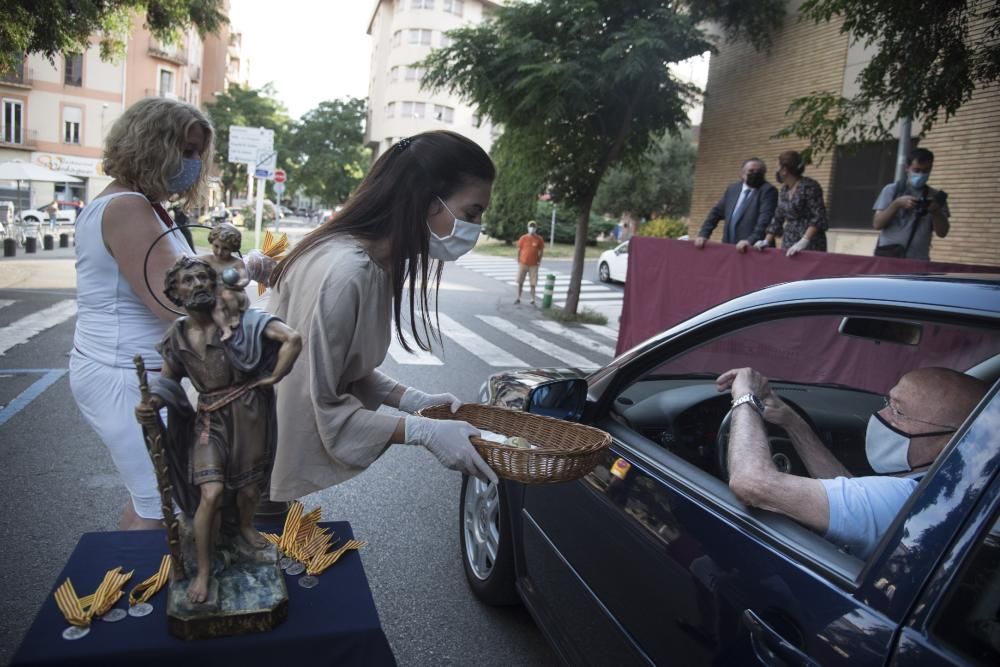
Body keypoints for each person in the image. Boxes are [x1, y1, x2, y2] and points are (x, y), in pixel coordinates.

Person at [267, 131, 498, 503]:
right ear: (428, 201)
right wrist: (421, 431)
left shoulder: (376, 264)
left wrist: (412, 399)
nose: (474, 228)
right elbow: (315, 399)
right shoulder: (345, 273)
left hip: (265, 451)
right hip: (250, 461)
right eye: (471, 213)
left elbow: (340, 367)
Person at [69, 97, 213, 530]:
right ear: (153, 147)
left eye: (196, 154)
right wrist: (240, 274)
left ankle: (123, 587)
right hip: (124, 379)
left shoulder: (141, 204)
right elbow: (173, 300)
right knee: (162, 507)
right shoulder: (128, 207)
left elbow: (172, 270)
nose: (192, 163)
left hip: (140, 375)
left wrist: (229, 266)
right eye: (184, 152)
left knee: (157, 499)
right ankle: (127, 593)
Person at [135, 256, 302, 602]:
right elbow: (167, 383)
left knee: (249, 489)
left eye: (201, 277)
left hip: (249, 413)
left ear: (213, 284)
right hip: (209, 420)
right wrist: (151, 404)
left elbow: (293, 338)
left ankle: (243, 527)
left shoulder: (243, 323)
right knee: (209, 493)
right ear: (175, 293)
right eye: (186, 280)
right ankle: (204, 572)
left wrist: (274, 376)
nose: (196, 283)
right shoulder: (176, 336)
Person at [718, 366, 987, 559]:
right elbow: (851, 491)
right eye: (887, 402)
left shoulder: (901, 501)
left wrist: (744, 397)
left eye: (898, 412)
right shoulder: (937, 484)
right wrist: (791, 421)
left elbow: (751, 482)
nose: (880, 416)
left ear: (952, 442)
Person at [872, 148, 950, 260]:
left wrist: (935, 212)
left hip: (918, 259)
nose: (921, 174)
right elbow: (877, 224)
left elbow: (942, 233)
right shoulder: (892, 190)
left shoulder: (935, 196)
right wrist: (896, 204)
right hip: (889, 258)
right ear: (907, 168)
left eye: (925, 171)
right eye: (916, 170)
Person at [695, 158, 777, 253]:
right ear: (742, 173)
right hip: (730, 248)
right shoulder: (732, 190)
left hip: (754, 250)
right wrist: (703, 235)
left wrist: (750, 241)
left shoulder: (768, 191)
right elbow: (715, 213)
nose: (755, 173)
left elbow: (765, 220)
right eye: (751, 171)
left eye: (759, 171)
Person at [759, 151, 828, 256]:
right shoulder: (784, 190)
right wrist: (766, 241)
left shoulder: (809, 186)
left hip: (810, 242)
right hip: (789, 240)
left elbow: (819, 216)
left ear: (784, 170)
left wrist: (804, 240)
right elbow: (778, 217)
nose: (775, 171)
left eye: (777, 167)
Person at [201, 223, 249, 342]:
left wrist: (239, 283)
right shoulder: (207, 259)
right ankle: (226, 330)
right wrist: (182, 257)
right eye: (216, 246)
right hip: (217, 297)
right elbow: (190, 260)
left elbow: (244, 277)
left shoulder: (236, 263)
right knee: (215, 307)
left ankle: (234, 316)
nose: (219, 251)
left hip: (235, 296)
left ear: (233, 248)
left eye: (225, 249)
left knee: (227, 294)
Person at [515, 220, 545, 304]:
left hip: (534, 264)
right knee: (520, 281)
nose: (532, 228)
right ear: (528, 227)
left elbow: (541, 251)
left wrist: (539, 261)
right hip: (523, 263)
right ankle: (518, 297)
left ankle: (532, 299)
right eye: (530, 226)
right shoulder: (523, 238)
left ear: (536, 228)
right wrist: (518, 259)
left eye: (533, 227)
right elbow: (519, 249)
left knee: (533, 283)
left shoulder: (539, 239)